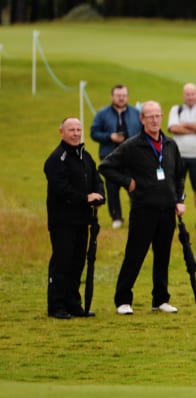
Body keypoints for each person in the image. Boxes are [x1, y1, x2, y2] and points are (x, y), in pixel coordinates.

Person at [98, 101, 186, 315]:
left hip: (167, 211)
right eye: (150, 116)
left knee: (163, 256)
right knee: (135, 255)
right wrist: (127, 182)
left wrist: (179, 199)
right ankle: (123, 300)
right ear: (142, 119)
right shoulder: (132, 145)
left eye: (158, 116)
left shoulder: (170, 144)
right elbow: (106, 166)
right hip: (143, 210)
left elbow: (179, 174)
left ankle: (160, 299)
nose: (154, 120)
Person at [44, 117, 106, 319]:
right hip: (63, 220)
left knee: (78, 262)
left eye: (79, 129)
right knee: (62, 261)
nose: (76, 133)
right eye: (71, 129)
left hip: (82, 219)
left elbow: (97, 180)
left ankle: (73, 303)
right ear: (61, 132)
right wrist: (85, 198)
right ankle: (57, 305)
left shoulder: (85, 157)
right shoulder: (57, 159)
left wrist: (99, 196)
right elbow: (60, 188)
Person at [90, 84, 141, 229]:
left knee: (134, 187)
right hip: (110, 157)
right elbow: (94, 132)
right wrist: (109, 136)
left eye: (124, 95)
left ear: (127, 96)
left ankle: (136, 217)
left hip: (132, 159)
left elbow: (143, 132)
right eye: (118, 95)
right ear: (112, 96)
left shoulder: (136, 113)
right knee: (112, 189)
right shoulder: (102, 114)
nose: (121, 98)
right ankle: (116, 217)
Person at [167, 83, 196, 228]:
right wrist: (195, 128)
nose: (190, 97)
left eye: (192, 94)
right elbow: (173, 128)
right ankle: (171, 217)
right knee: (174, 187)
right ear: (183, 95)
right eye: (187, 94)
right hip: (179, 155)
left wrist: (186, 125)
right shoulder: (176, 109)